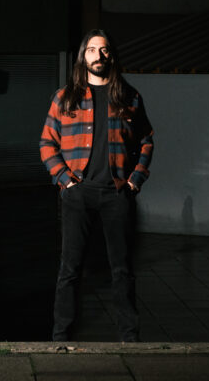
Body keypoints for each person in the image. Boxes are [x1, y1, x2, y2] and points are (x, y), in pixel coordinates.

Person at [40, 29, 154, 342]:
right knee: (70, 268)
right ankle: (61, 336)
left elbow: (146, 140)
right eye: (91, 50)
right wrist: (65, 180)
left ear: (111, 56)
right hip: (78, 192)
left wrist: (135, 180)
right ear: (83, 57)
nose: (98, 55)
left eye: (103, 50)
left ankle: (129, 337)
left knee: (122, 268)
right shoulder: (65, 97)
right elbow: (47, 143)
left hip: (117, 193)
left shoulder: (129, 97)